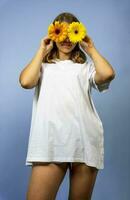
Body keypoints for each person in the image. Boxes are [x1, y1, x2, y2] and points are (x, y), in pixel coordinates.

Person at [19, 12, 115, 200]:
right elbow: (25, 82)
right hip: (51, 142)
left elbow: (108, 74)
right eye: (61, 33)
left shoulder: (85, 68)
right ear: (53, 34)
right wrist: (41, 50)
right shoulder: (43, 67)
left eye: (72, 34)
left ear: (78, 36)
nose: (66, 40)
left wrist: (91, 48)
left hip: (85, 141)